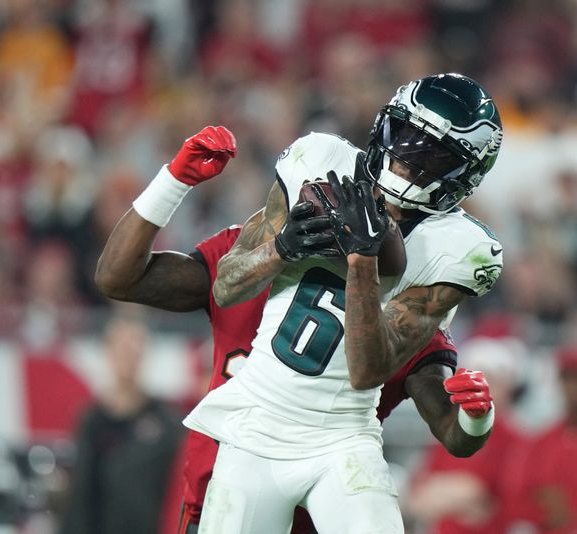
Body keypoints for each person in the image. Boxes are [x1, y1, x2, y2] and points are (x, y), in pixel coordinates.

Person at [95, 81, 500, 532]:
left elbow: (450, 429)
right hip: (227, 471)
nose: (406, 159)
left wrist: (477, 419)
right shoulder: (259, 248)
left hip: (332, 481)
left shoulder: (414, 302)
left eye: (432, 154)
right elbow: (121, 277)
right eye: (403, 139)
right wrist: (175, 181)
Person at [59, 316, 185, 534]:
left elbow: (177, 494)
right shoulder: (92, 421)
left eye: (134, 349)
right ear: (108, 352)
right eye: (122, 348)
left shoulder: (167, 423)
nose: (128, 357)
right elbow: (81, 495)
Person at [404, 336, 528, 534]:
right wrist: (463, 497)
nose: (482, 389)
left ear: (509, 386)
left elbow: (484, 498)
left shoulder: (515, 438)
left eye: (493, 380)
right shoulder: (447, 430)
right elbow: (417, 499)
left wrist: (445, 493)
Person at [508, 345, 577, 533]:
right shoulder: (543, 441)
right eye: (567, 379)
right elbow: (523, 496)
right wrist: (544, 513)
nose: (573, 387)